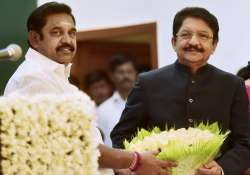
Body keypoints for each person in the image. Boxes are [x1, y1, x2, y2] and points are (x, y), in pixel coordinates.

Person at [3, 2, 174, 175]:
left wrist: (118, 166)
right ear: (35, 38)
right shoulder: (33, 77)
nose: (67, 40)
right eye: (56, 32)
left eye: (72, 33)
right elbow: (75, 145)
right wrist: (135, 160)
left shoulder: (56, 78)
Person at [111, 7, 250, 175]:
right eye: (185, 35)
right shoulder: (148, 83)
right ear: (173, 42)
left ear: (214, 45)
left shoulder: (232, 85)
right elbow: (121, 136)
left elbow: (245, 142)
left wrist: (221, 169)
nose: (194, 42)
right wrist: (130, 165)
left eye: (203, 36)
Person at [97, 54, 137, 146]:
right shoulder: (102, 110)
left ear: (136, 74)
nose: (126, 76)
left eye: (129, 71)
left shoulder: (145, 104)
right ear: (111, 76)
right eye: (121, 72)